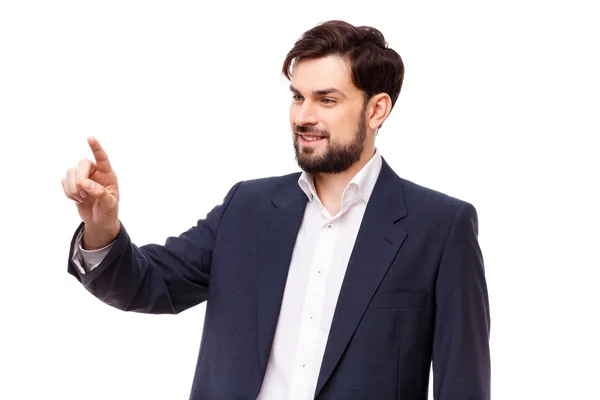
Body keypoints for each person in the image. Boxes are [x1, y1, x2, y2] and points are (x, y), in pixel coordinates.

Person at [62, 20, 491, 400]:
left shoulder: (440, 227)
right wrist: (103, 228)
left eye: (326, 100)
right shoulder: (247, 208)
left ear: (376, 109)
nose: (303, 116)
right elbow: (146, 284)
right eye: (297, 97)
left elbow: (464, 386)